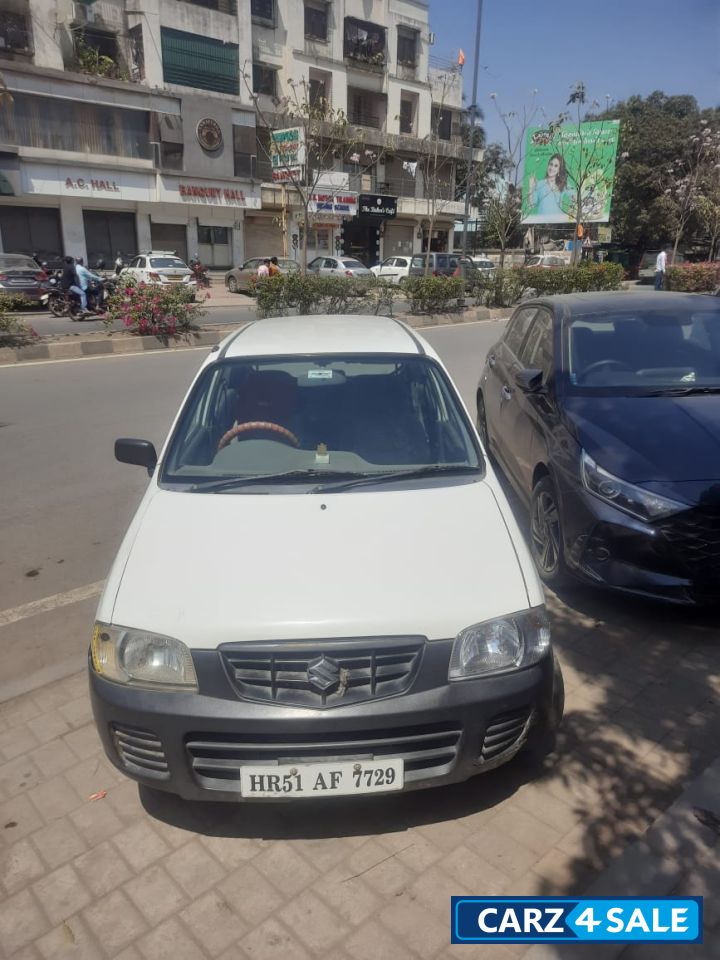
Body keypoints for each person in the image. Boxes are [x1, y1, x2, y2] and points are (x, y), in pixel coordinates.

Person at [527, 154, 571, 219]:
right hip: (542, 222)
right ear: (548, 165)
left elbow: (575, 197)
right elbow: (531, 205)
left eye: (556, 166)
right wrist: (531, 188)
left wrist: (571, 211)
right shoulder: (539, 184)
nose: (552, 168)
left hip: (558, 222)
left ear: (559, 170)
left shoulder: (563, 184)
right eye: (551, 164)